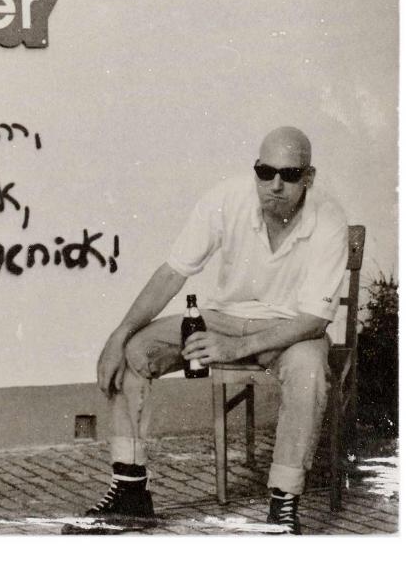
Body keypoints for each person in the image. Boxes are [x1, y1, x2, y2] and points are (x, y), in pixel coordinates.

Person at [87, 127, 348, 534]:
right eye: (265, 171)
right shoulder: (226, 200)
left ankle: (283, 504)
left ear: (309, 178)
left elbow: (313, 321)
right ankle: (131, 494)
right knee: (136, 351)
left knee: (310, 372)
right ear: (255, 170)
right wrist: (119, 334)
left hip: (291, 328)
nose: (275, 185)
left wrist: (235, 347)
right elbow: (174, 272)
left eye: (290, 174)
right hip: (222, 316)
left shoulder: (329, 220)